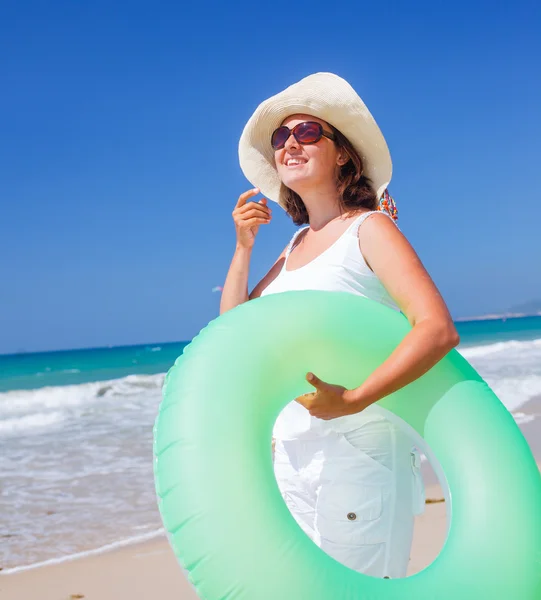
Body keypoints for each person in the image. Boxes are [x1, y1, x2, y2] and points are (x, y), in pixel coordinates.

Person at [220, 72, 459, 578]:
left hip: (359, 449)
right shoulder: (291, 250)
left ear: (343, 153)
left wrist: (352, 399)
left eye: (307, 132)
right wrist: (243, 248)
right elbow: (232, 337)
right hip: (292, 451)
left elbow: (436, 328)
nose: (289, 144)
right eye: (280, 138)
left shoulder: (369, 229)